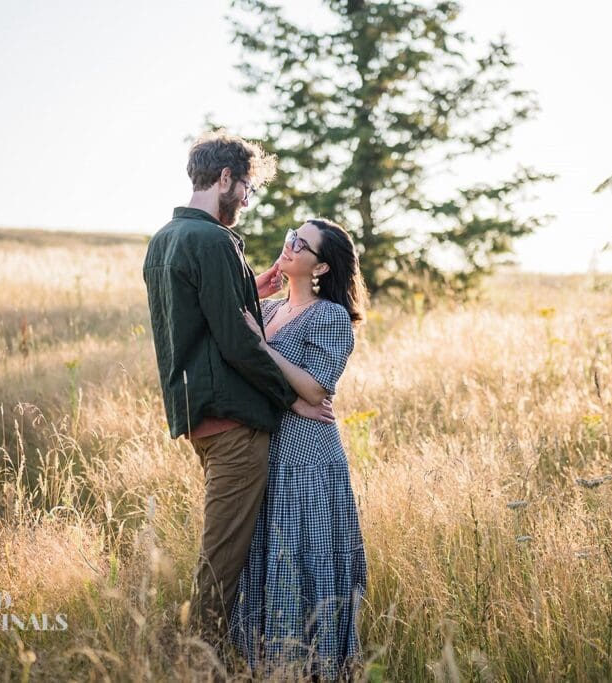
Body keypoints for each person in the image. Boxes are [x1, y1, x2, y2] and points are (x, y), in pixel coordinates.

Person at [142, 131, 334, 644]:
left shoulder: (165, 240)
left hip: (198, 418)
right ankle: (196, 662)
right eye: (246, 189)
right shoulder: (214, 240)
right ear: (225, 178)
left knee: (225, 554)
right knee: (222, 564)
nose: (246, 202)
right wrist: (293, 397)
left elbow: (204, 318)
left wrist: (257, 282)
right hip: (233, 424)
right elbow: (238, 340)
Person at [232, 218, 369, 679]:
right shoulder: (267, 310)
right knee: (270, 565)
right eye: (292, 235)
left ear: (321, 265)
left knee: (306, 565)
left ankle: (317, 666)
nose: (290, 244)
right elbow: (227, 324)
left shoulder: (330, 318)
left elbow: (316, 389)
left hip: (309, 461)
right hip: (269, 456)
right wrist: (257, 285)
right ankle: (271, 667)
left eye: (302, 244)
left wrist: (261, 345)